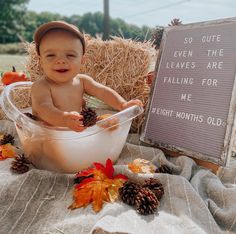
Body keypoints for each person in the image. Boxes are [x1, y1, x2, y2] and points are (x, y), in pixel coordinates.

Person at [31, 21, 143, 132]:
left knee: (110, 122)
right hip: (49, 134)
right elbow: (44, 109)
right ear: (40, 61)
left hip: (75, 130)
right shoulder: (41, 86)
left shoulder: (82, 81)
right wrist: (64, 120)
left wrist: (122, 104)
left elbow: (103, 92)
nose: (60, 61)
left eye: (70, 55)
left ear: (82, 60)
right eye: (50, 55)